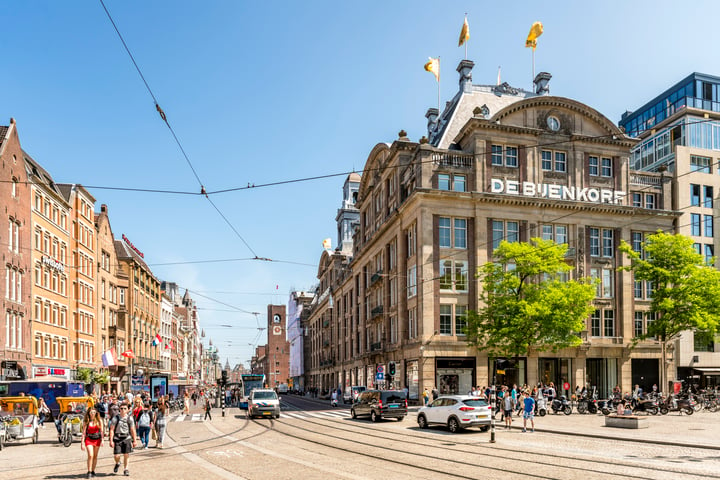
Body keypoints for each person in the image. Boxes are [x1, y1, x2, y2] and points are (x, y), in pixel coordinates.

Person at [109, 403, 137, 476]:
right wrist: (111, 440)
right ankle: (118, 463)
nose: (123, 410)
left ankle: (126, 469)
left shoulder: (129, 418)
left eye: (125, 408)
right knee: (116, 455)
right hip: (117, 438)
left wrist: (135, 440)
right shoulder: (115, 418)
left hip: (126, 437)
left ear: (128, 410)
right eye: (121, 408)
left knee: (126, 454)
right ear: (119, 409)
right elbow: (111, 429)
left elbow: (132, 429)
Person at [81, 407, 104, 478]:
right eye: (91, 412)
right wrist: (82, 443)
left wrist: (102, 439)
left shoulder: (99, 420)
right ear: (89, 413)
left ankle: (93, 470)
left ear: (96, 413)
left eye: (94, 412)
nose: (92, 414)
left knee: (95, 456)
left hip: (97, 439)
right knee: (90, 455)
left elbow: (102, 431)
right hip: (89, 439)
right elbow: (84, 432)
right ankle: (89, 471)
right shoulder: (86, 421)